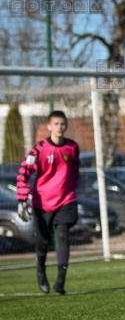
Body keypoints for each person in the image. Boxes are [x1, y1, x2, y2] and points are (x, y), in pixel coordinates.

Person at [17, 110, 80, 295]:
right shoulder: (39, 150)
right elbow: (23, 173)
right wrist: (22, 200)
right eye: (56, 124)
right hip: (42, 202)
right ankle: (40, 271)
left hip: (66, 200)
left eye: (63, 124)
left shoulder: (72, 147)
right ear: (49, 127)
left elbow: (75, 170)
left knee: (63, 236)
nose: (60, 127)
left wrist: (71, 187)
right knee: (43, 241)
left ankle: (60, 281)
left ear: (66, 125)